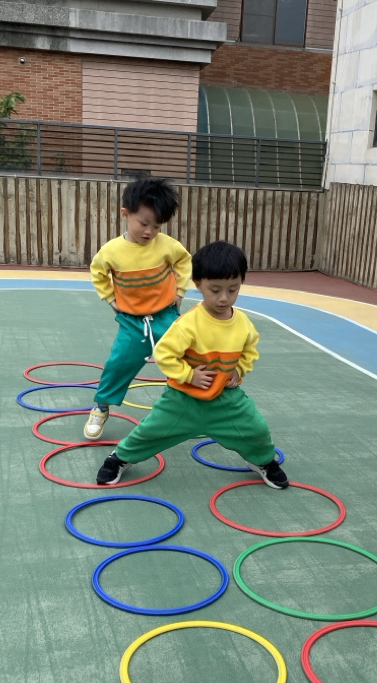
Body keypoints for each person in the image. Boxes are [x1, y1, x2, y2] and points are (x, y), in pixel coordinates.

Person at [96, 240, 288, 490]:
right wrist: (188, 375)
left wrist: (239, 369)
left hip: (226, 399)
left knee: (256, 429)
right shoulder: (188, 324)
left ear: (241, 282)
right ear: (198, 284)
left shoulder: (243, 323)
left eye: (232, 289)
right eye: (215, 290)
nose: (224, 298)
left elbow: (250, 350)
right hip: (183, 399)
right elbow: (164, 353)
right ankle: (120, 458)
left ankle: (263, 461)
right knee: (151, 431)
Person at [83, 178, 191, 440]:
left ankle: (194, 407)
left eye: (157, 226)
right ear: (125, 214)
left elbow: (184, 261)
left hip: (166, 316)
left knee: (188, 356)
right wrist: (110, 299)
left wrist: (179, 292)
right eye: (144, 223)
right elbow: (98, 272)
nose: (149, 231)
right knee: (118, 364)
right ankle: (101, 407)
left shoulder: (167, 245)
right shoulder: (111, 251)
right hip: (132, 321)